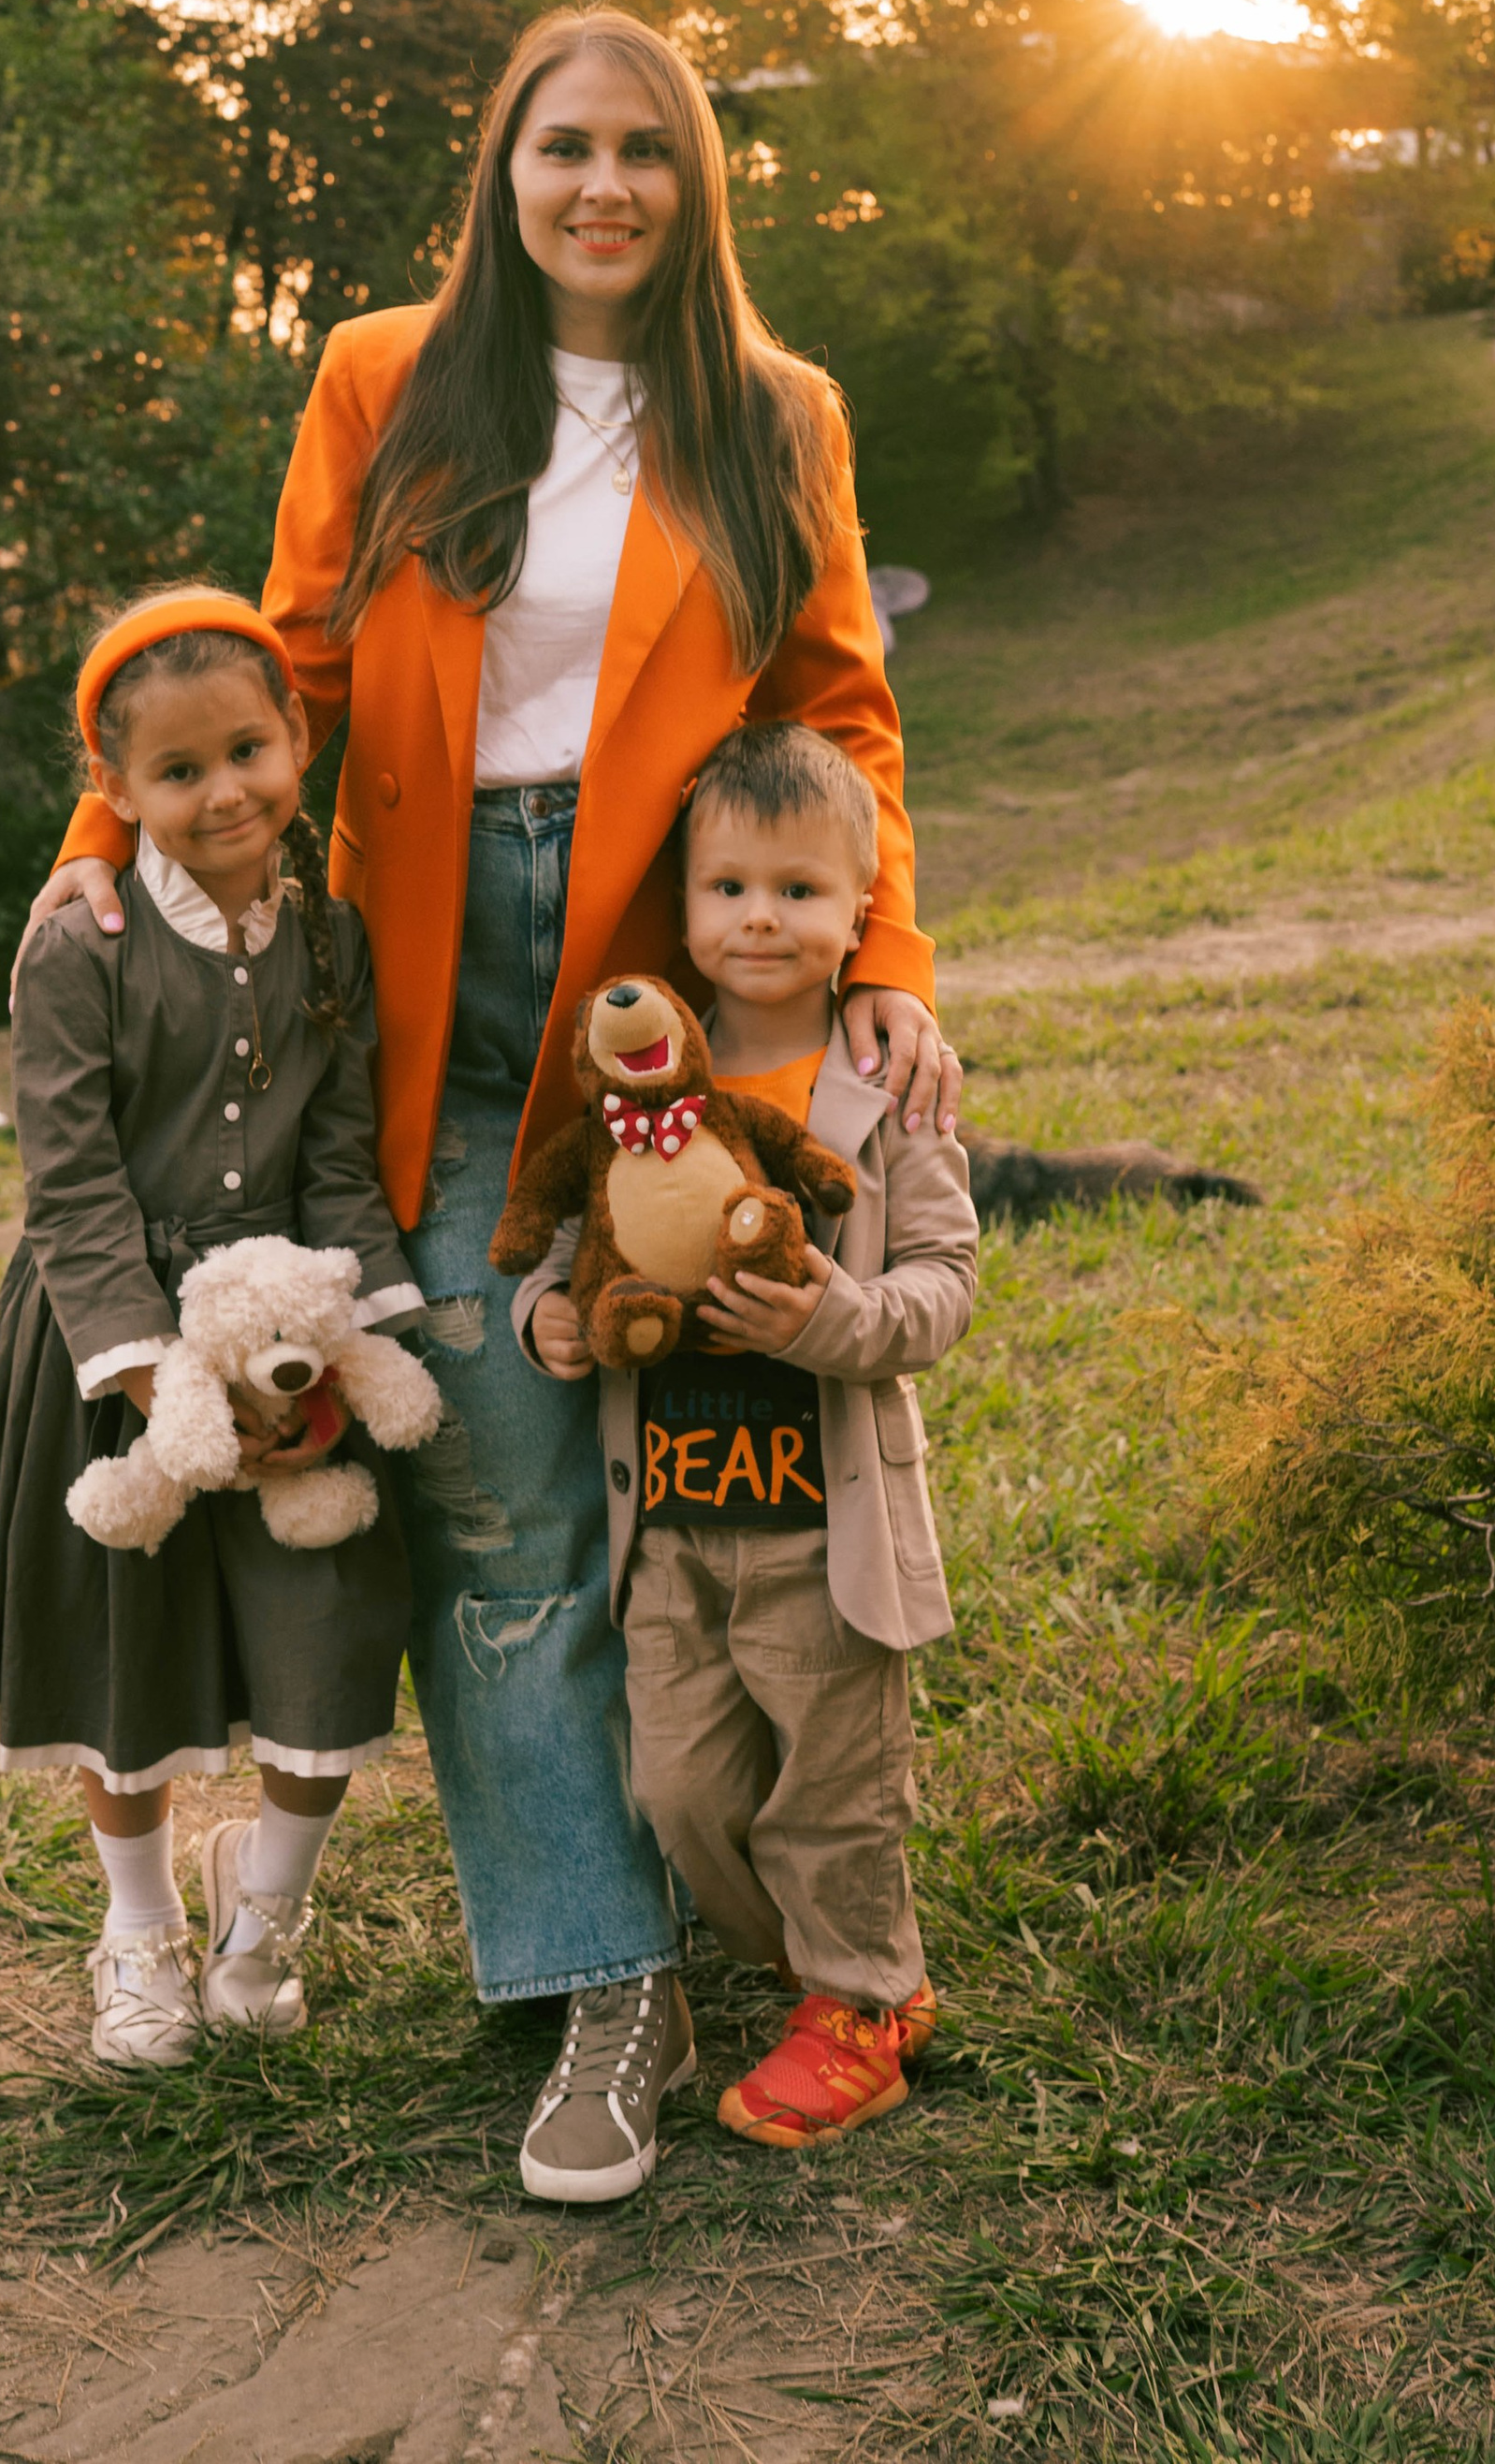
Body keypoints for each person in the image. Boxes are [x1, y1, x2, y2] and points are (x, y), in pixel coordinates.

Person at [21, 3, 961, 2193]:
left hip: (661, 989)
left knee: (709, 1471)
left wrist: (882, 957)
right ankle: (592, 1978)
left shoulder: (773, 414)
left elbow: (841, 709)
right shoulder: (384, 375)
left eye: (644, 148)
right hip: (424, 991)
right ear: (502, 168)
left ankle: (800, 1896)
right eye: (563, 146)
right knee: (505, 1504)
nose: (601, 185)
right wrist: (104, 861)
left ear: (692, 178)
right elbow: (285, 671)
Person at [0, 588, 421, 2065]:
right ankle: (139, 1933)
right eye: (178, 774)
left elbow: (340, 1157)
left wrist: (369, 1338)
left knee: (329, 1633)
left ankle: (268, 1919)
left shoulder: (334, 938)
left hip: (292, 1333)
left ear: (296, 735)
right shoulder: (80, 948)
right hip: (114, 1350)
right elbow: (70, 1182)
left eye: (248, 749)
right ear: (114, 792)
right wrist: (145, 1363)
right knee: (127, 1650)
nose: (223, 790)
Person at [515, 722, 977, 2178]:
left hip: (818, 1537)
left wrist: (831, 1314)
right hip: (671, 1528)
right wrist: (549, 1327)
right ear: (685, 910)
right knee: (685, 1790)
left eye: (798, 890)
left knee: (834, 1790)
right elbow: (561, 1249)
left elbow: (944, 1288)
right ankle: (803, 1970)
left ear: (861, 917)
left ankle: (865, 2000)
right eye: (728, 889)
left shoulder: (881, 1086)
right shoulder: (634, 1092)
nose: (760, 919)